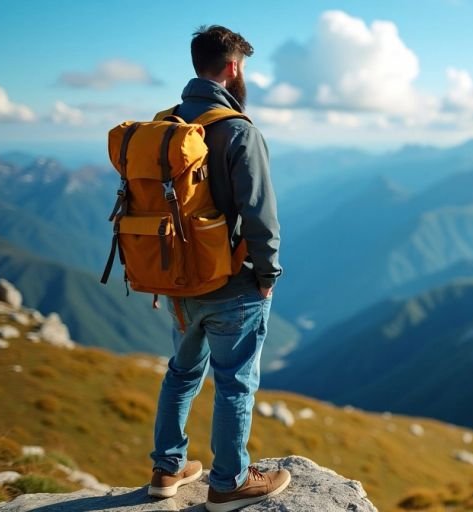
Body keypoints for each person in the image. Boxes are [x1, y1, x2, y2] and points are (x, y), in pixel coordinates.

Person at [145, 25, 288, 512]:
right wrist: (267, 275)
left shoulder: (163, 127)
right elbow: (260, 215)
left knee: (182, 372)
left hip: (176, 278)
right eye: (242, 67)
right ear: (232, 68)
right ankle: (228, 482)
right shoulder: (238, 129)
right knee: (235, 381)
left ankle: (166, 470)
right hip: (232, 284)